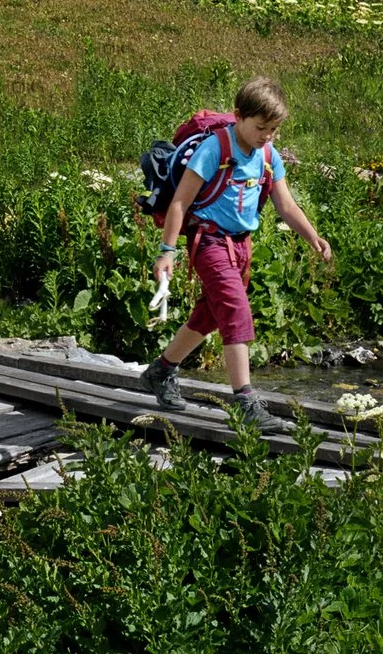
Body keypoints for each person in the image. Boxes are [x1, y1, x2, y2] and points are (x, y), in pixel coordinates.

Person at [139, 77, 332, 429]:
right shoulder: (214, 149)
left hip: (241, 246)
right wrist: (167, 252)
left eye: (274, 129)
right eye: (261, 128)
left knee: (210, 315)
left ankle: (161, 371)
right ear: (239, 116)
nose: (267, 136)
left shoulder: (268, 155)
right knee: (236, 312)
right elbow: (180, 202)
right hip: (209, 242)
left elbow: (286, 204)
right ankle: (244, 401)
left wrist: (313, 237)